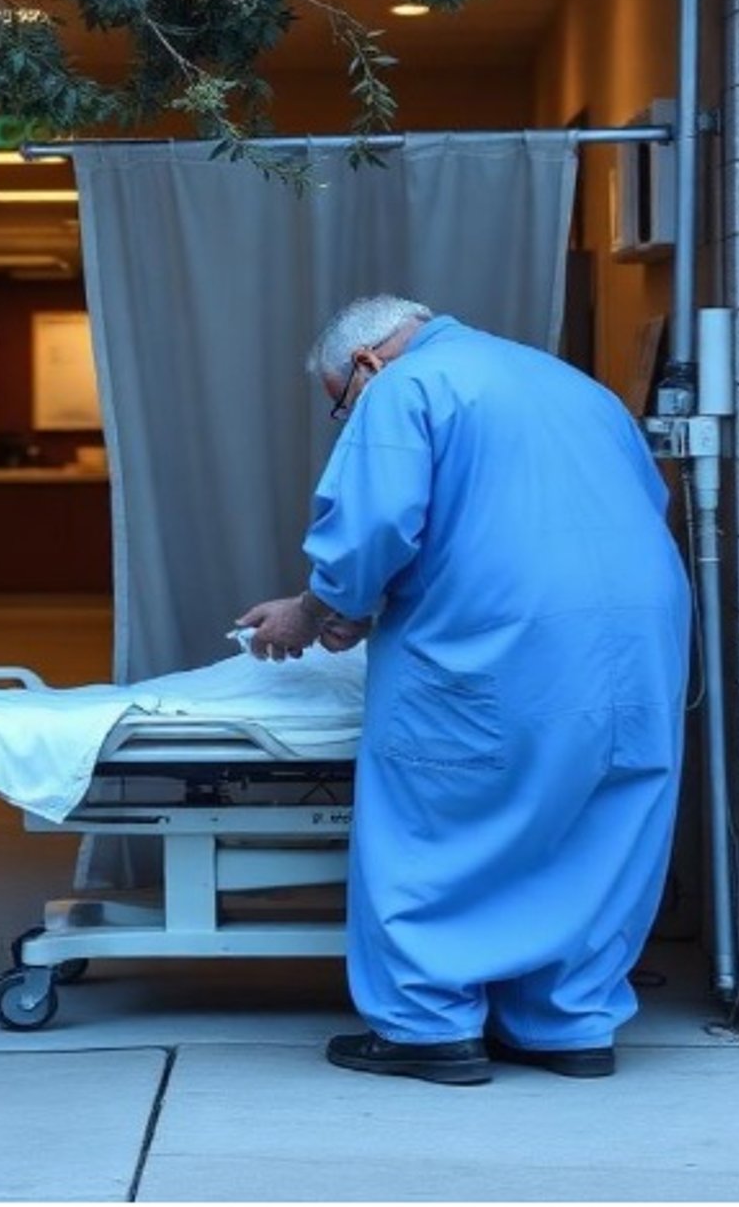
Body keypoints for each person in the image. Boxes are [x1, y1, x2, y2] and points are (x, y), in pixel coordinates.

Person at [235, 295, 689, 1087]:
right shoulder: (576, 387)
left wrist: (314, 609)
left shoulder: (406, 388)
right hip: (639, 638)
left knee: (435, 814)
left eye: (340, 406)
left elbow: (371, 530)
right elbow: (640, 502)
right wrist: (357, 603)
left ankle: (428, 1025)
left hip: (500, 639)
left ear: (368, 364)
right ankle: (568, 1021)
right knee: (598, 820)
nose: (348, 420)